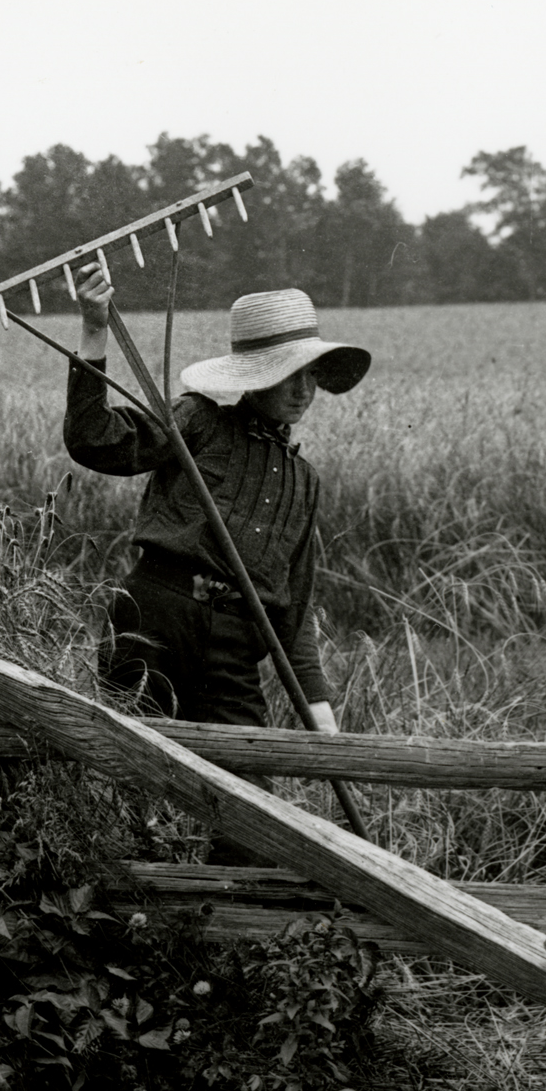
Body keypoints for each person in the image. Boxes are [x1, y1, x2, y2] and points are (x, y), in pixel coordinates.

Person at [64, 264, 369, 780]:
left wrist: (318, 709)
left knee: (248, 792)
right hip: (155, 619)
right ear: (254, 377)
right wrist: (95, 329)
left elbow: (292, 603)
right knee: (134, 778)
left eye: (311, 374)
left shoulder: (304, 480)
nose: (303, 390)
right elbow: (97, 440)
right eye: (289, 374)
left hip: (236, 645)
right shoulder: (197, 421)